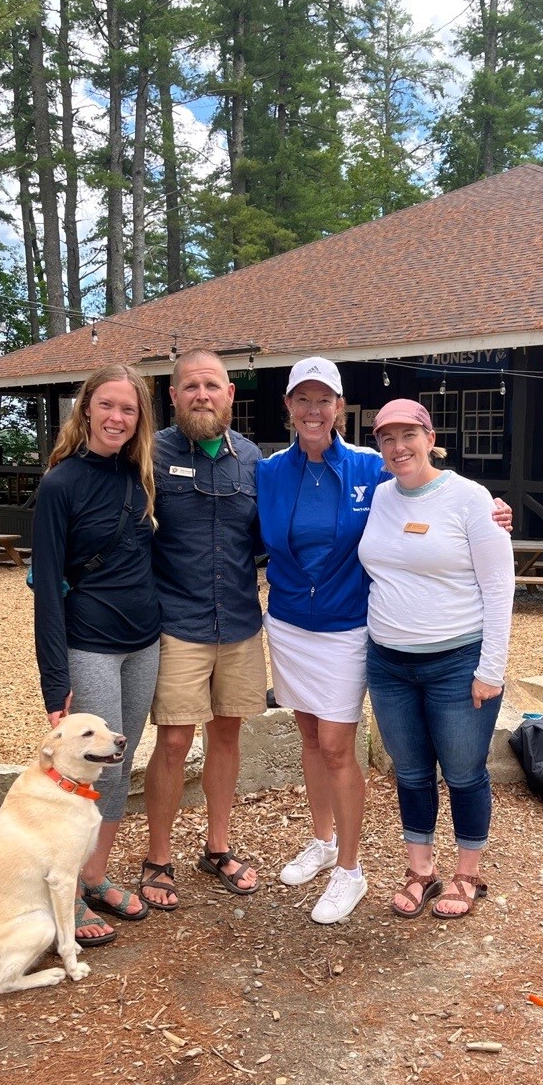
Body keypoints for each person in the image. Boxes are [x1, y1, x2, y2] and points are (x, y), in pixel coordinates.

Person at [358, 399, 514, 919]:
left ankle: (467, 874)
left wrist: (491, 669)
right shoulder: (380, 496)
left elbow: (499, 587)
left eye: (408, 435)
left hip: (456, 660)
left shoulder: (471, 499)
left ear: (430, 437)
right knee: (412, 772)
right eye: (386, 438)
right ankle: (420, 870)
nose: (398, 447)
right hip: (388, 661)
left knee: (465, 772)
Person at [31, 364, 162, 946]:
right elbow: (46, 590)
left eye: (128, 410)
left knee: (117, 762)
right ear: (86, 409)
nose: (116, 418)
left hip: (145, 643)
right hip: (89, 645)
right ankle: (65, 884)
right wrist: (54, 680)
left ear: (139, 420)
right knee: (80, 771)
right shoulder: (61, 485)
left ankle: (93, 876)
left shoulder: (141, 476)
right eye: (107, 406)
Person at [256, 358, 389, 924]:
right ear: (289, 407)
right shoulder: (267, 472)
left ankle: (351, 871)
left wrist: (488, 508)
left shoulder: (370, 467)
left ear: (339, 406)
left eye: (324, 400)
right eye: (303, 399)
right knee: (309, 734)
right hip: (287, 623)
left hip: (344, 626)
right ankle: (323, 841)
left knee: (337, 745)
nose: (314, 410)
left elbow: (430, 488)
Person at [140, 349, 266, 908]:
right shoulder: (149, 454)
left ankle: (217, 847)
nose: (202, 395)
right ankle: (158, 857)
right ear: (173, 396)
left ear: (230, 394)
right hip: (178, 622)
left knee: (228, 735)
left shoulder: (253, 460)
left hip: (239, 621)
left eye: (212, 385)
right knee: (172, 740)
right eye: (190, 386)